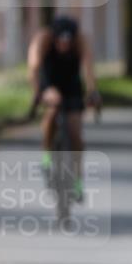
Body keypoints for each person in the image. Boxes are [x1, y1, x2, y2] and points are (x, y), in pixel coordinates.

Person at [27, 15, 100, 201]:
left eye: (68, 41)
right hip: (49, 81)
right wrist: (38, 93)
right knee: (52, 112)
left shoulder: (80, 40)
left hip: (71, 85)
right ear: (54, 36)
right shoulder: (43, 39)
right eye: (60, 41)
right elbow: (34, 66)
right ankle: (46, 157)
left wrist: (92, 91)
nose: (64, 45)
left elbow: (88, 67)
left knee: (76, 134)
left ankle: (77, 181)